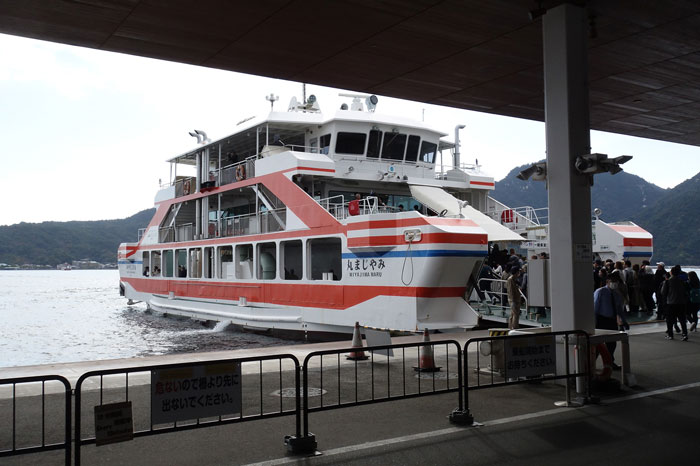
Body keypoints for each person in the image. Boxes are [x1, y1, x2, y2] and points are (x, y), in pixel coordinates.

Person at [593, 271, 628, 368]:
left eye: (617, 281)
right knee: (597, 344)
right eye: (613, 281)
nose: (615, 283)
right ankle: (590, 364)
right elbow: (595, 308)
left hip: (612, 321)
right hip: (601, 320)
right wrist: (594, 322)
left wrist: (624, 321)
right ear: (607, 281)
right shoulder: (600, 292)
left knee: (612, 343)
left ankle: (610, 362)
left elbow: (619, 310)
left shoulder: (617, 294)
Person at [661, 265, 689, 340]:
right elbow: (686, 292)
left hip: (671, 303)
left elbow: (663, 292)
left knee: (669, 320)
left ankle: (670, 335)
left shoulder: (667, 281)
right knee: (682, 320)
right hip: (681, 302)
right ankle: (685, 334)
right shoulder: (682, 281)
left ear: (671, 273)